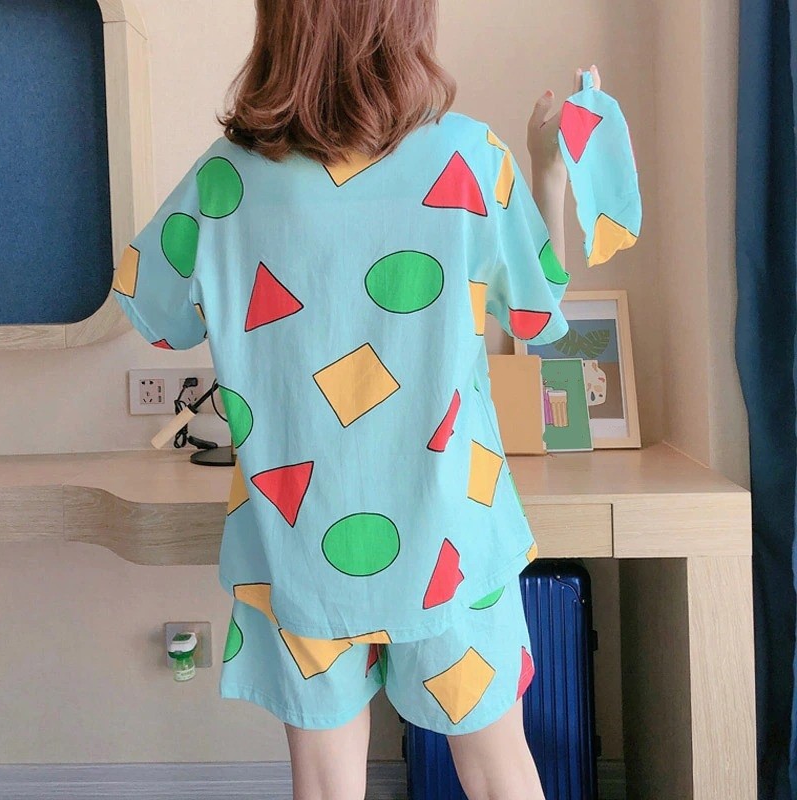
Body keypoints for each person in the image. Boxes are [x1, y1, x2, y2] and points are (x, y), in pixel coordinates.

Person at [110, 1, 601, 797]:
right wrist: (549, 168)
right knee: (498, 771)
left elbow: (159, 319)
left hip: (296, 541)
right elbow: (539, 318)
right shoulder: (470, 155)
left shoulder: (224, 176)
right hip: (452, 534)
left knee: (326, 785)